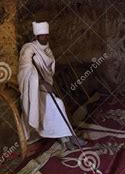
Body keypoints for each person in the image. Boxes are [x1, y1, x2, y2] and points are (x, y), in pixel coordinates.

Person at [18, 21, 86, 150]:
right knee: (57, 104)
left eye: (47, 35)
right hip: (32, 91)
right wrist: (42, 82)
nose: (46, 38)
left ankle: (66, 138)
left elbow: (49, 70)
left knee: (58, 104)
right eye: (43, 35)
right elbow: (24, 71)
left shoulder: (47, 50)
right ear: (36, 37)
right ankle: (69, 137)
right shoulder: (28, 49)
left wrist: (46, 83)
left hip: (44, 88)